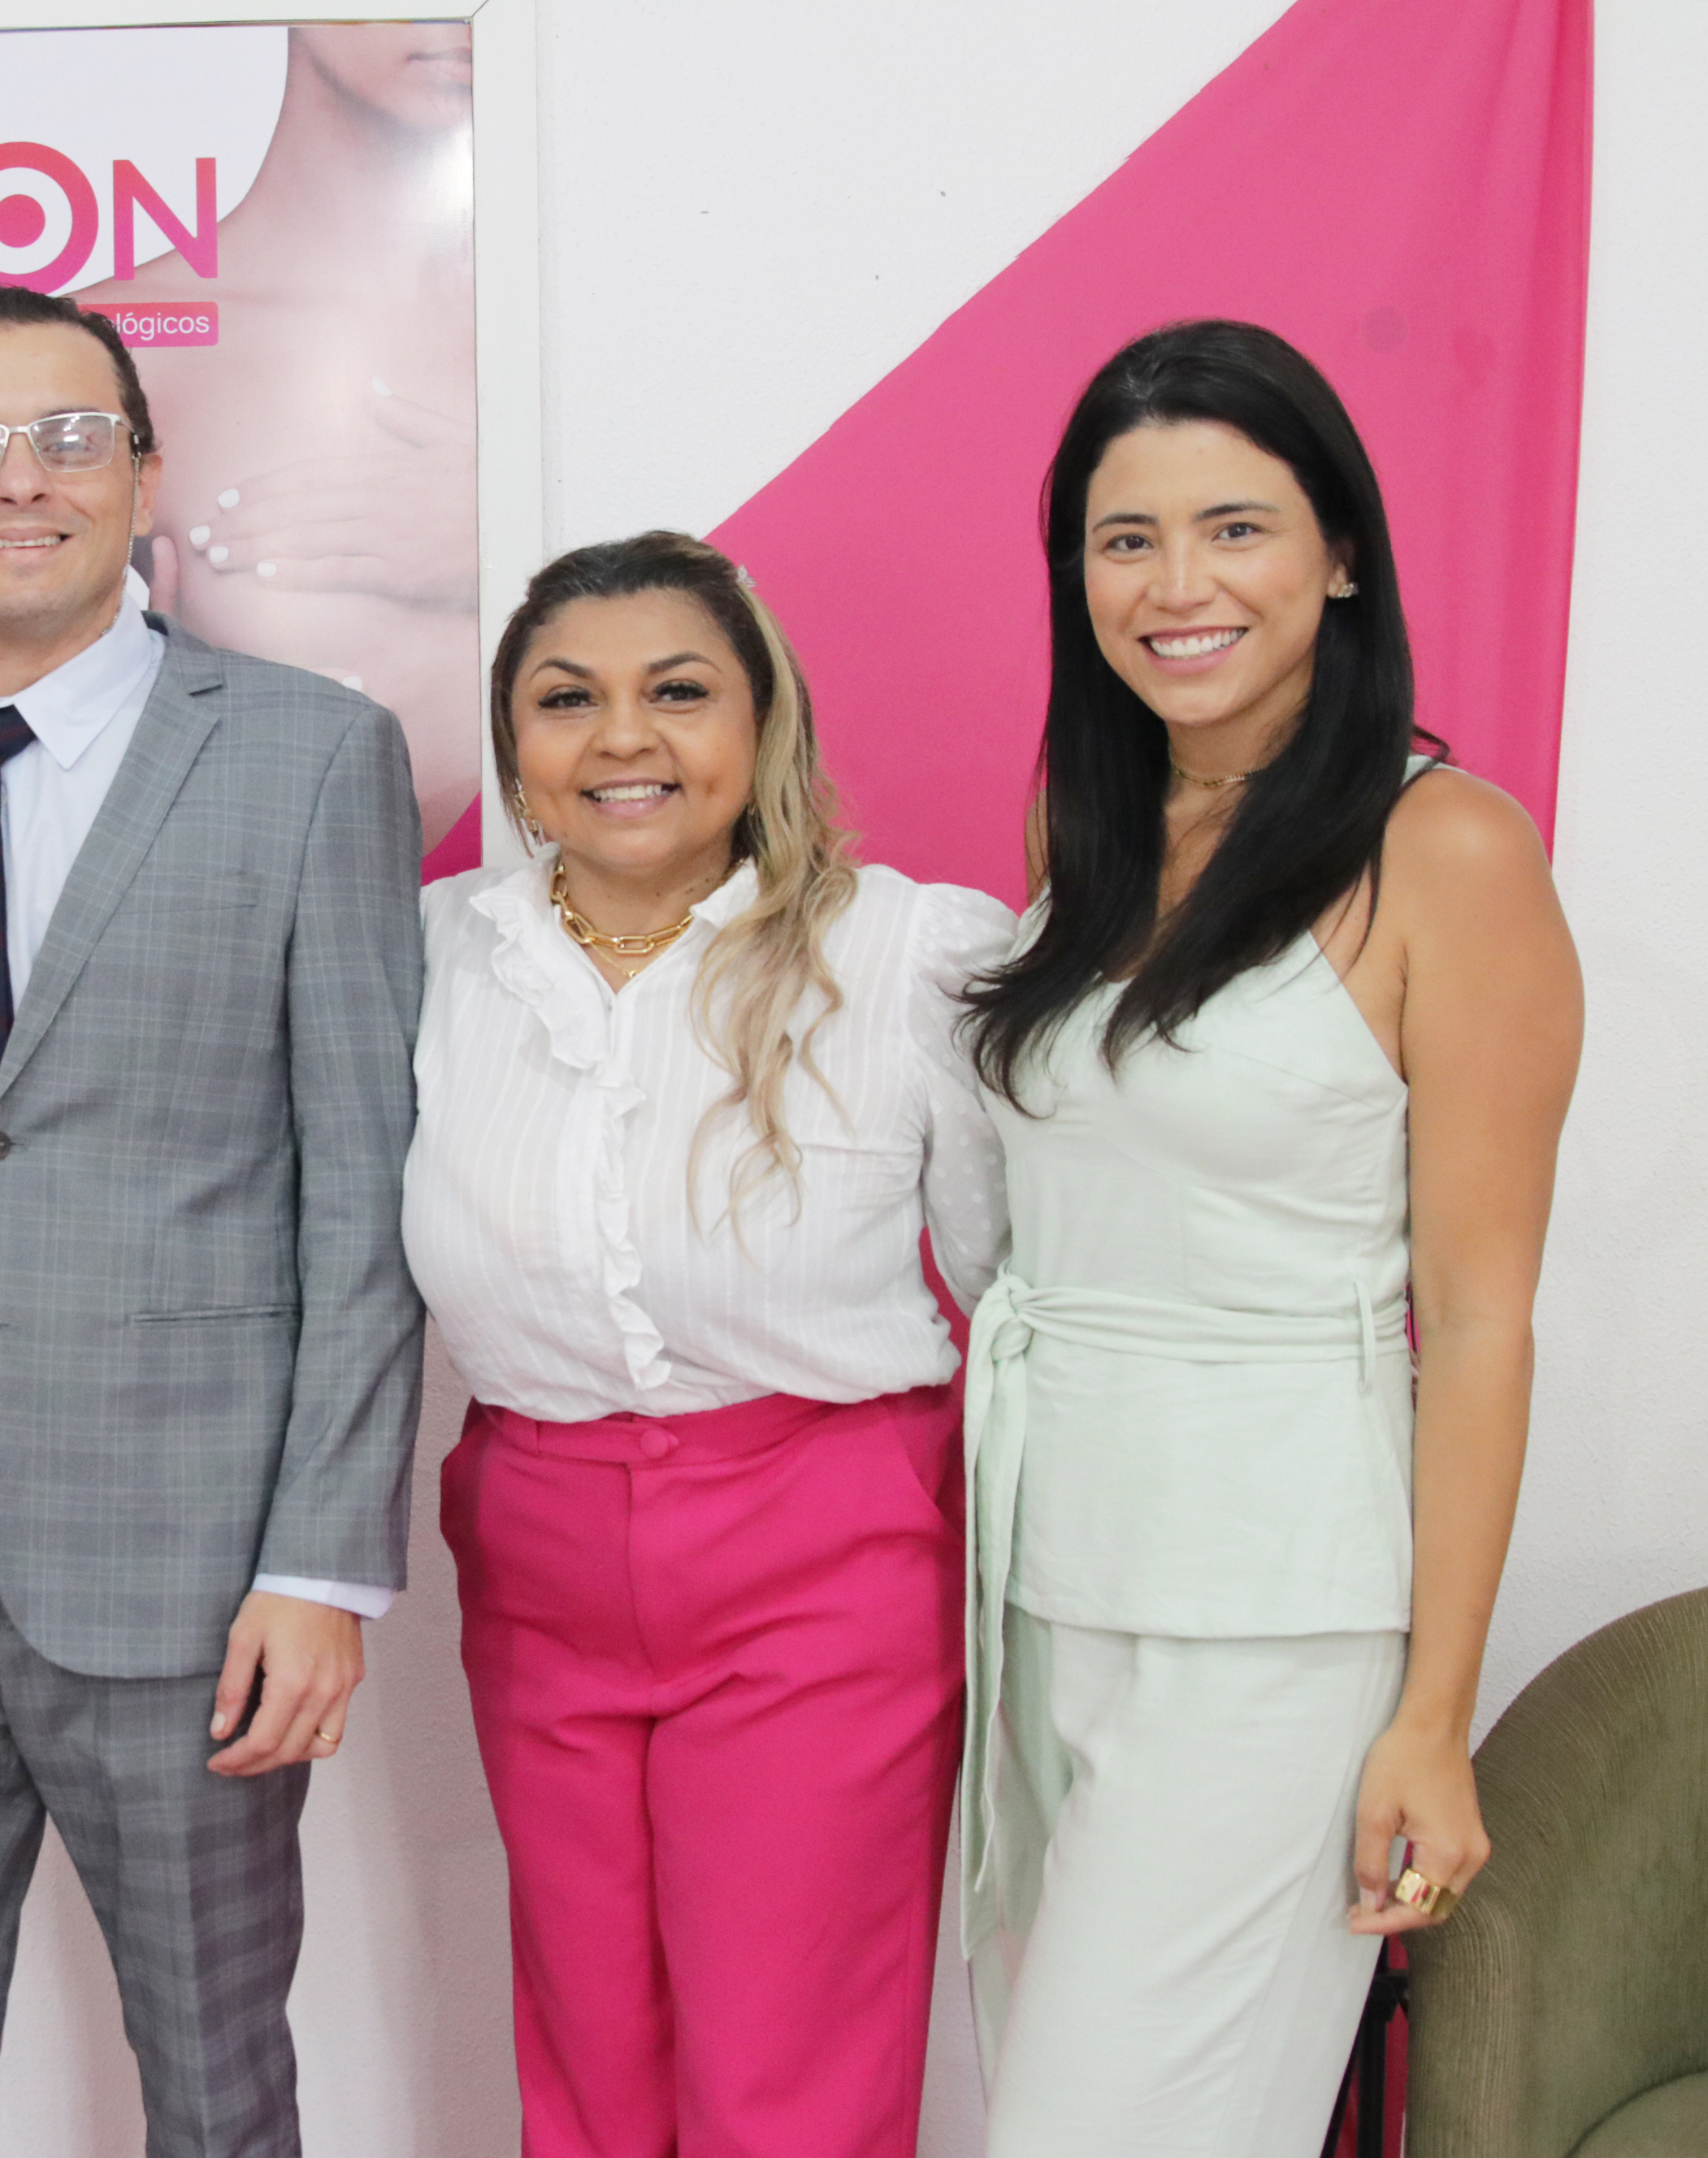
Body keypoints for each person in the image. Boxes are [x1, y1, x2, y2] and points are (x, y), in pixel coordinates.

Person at [0, 282, 425, 2157]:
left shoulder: (311, 752)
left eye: (70, 437)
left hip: (186, 1566)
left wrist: (324, 1562)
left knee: (216, 2091)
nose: (22, 481)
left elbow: (362, 1177)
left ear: (145, 473)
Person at [956, 319, 1581, 2153]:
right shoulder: (1084, 822)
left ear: (1341, 555)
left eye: (1233, 528)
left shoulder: (1447, 850)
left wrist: (1431, 1717)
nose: (1176, 586)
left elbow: (1478, 1316)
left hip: (1274, 1616)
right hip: (1047, 1580)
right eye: (1124, 538)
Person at [405, 531, 1013, 2157]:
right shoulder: (431, 956)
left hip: (822, 1551)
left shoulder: (907, 954)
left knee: (780, 2078)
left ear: (761, 724)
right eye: (565, 699)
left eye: (678, 692)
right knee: (589, 2062)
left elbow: (1013, 1276)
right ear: (513, 749)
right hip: (534, 1548)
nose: (623, 737)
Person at [0, 24, 482, 847]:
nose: (440, 17)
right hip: (228, 907)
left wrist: (497, 544)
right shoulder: (88, 360)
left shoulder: (567, 325)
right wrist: (133, 713)